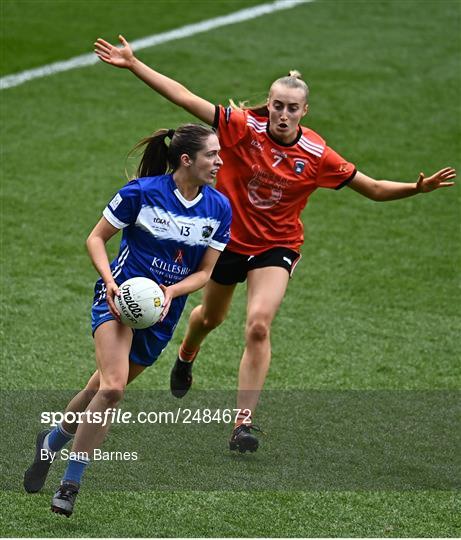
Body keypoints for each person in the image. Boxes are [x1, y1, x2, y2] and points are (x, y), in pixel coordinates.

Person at [94, 35, 456, 454]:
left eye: (292, 108)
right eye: (277, 106)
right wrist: (134, 64)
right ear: (269, 104)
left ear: (305, 111)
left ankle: (242, 423)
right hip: (225, 240)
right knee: (210, 318)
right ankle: (188, 352)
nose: (283, 115)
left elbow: (372, 188)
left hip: (275, 247)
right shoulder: (240, 128)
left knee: (259, 323)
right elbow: (185, 99)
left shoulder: (317, 154)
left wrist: (417, 187)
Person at [23, 123, 231, 517]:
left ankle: (49, 443)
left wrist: (171, 292)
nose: (220, 162)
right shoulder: (140, 194)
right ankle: (71, 483)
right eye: (212, 155)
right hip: (118, 300)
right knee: (114, 389)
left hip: (162, 313)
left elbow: (205, 272)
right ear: (187, 160)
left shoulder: (219, 208)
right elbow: (95, 239)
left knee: (98, 388)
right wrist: (110, 282)